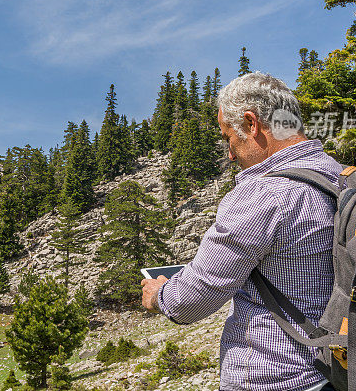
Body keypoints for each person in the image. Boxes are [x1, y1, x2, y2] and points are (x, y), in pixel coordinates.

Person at [141, 72, 339, 391]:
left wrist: (159, 294)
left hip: (279, 380)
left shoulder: (263, 194)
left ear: (251, 124)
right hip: (338, 373)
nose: (230, 154)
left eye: (227, 138)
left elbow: (193, 297)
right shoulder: (342, 177)